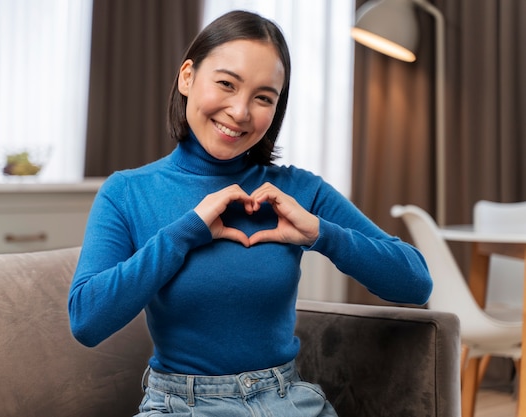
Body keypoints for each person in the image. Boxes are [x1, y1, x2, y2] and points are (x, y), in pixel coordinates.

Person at [68, 10, 432, 417]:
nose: (240, 112)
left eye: (263, 97)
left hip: (287, 401)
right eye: (226, 84)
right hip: (180, 406)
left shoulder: (298, 191)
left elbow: (416, 282)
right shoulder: (128, 192)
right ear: (187, 77)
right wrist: (185, 231)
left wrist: (320, 234)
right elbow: (87, 320)